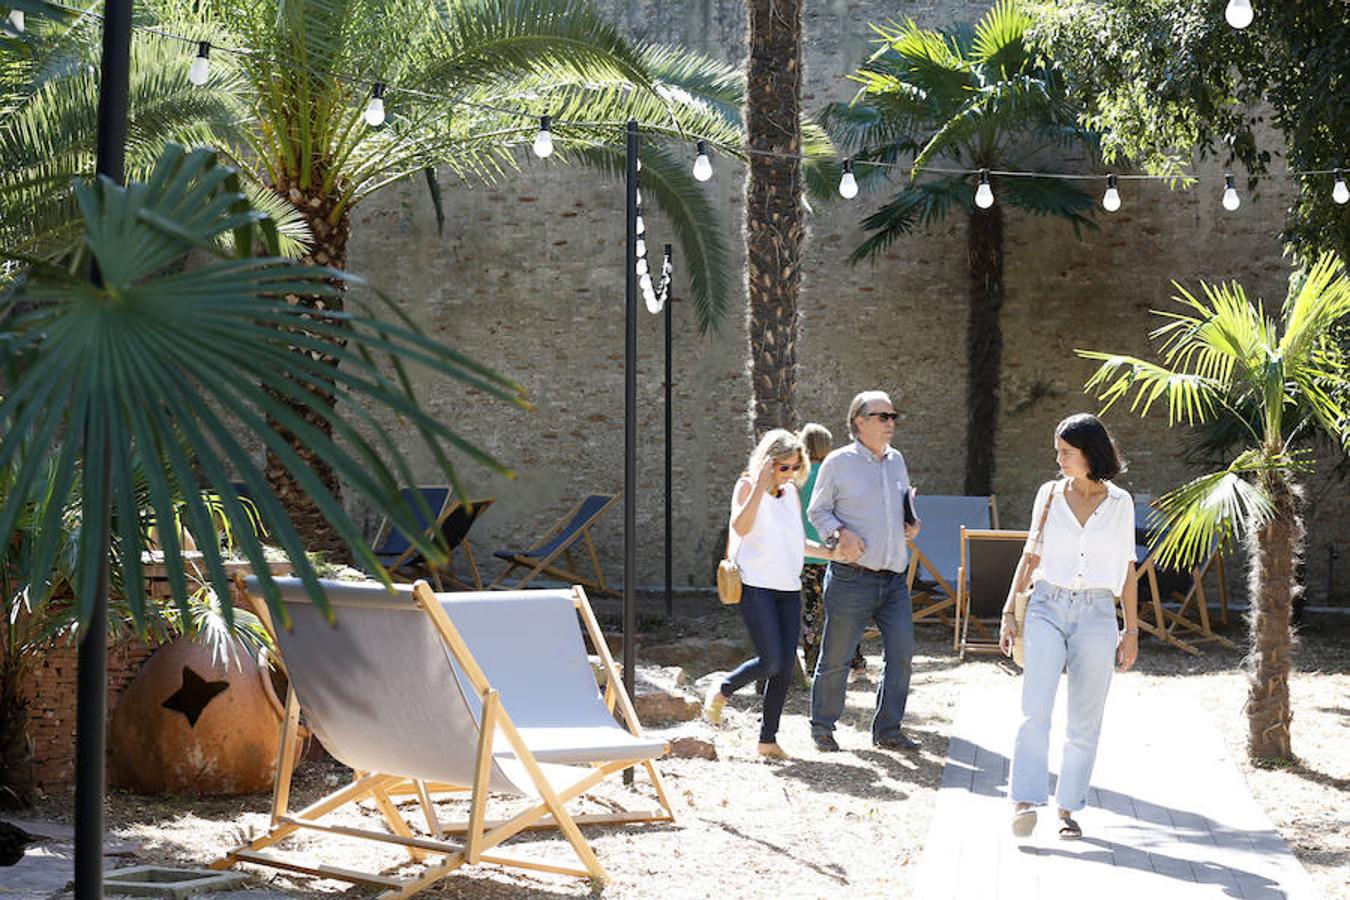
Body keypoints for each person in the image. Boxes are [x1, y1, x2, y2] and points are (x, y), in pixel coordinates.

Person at [999, 413, 1139, 840]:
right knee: (1034, 709)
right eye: (1057, 451)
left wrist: (1131, 630)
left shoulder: (1120, 503)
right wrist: (1008, 612)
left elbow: (1128, 568)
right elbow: (1031, 555)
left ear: (1089, 454)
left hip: (1097, 612)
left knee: (1085, 719)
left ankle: (1068, 808)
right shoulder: (1049, 494)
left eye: (1065, 452)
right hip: (1046, 605)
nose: (1057, 459)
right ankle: (1025, 799)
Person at [704, 429, 837, 759]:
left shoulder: (791, 493)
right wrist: (761, 486)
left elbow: (796, 543)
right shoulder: (748, 486)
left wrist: (834, 554)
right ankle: (724, 688)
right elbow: (740, 527)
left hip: (789, 589)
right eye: (783, 467)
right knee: (772, 660)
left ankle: (768, 740)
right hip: (756, 586)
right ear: (767, 462)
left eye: (794, 467)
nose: (789, 474)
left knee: (782, 668)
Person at [807, 391, 922, 753]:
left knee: (902, 655)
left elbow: (904, 505)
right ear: (859, 421)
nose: (890, 423)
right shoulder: (838, 463)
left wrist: (912, 523)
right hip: (850, 577)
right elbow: (818, 511)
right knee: (837, 657)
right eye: (882, 416)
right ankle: (822, 727)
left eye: (893, 416)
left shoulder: (897, 461)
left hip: (894, 578)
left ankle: (888, 730)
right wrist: (841, 534)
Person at [797, 423, 866, 678]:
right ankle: (856, 663)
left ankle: (813, 666)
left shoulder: (797, 479)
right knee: (844, 611)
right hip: (836, 552)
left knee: (812, 612)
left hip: (807, 555)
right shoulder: (834, 475)